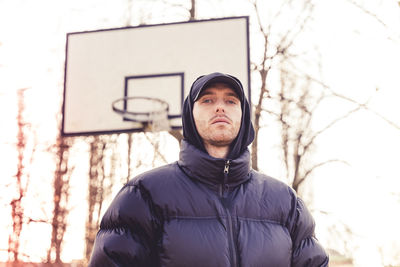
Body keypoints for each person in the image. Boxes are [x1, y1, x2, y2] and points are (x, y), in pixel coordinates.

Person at [88, 72, 329, 267]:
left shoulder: (285, 202)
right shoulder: (144, 194)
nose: (220, 108)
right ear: (189, 115)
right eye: (207, 100)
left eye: (231, 101)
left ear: (243, 116)